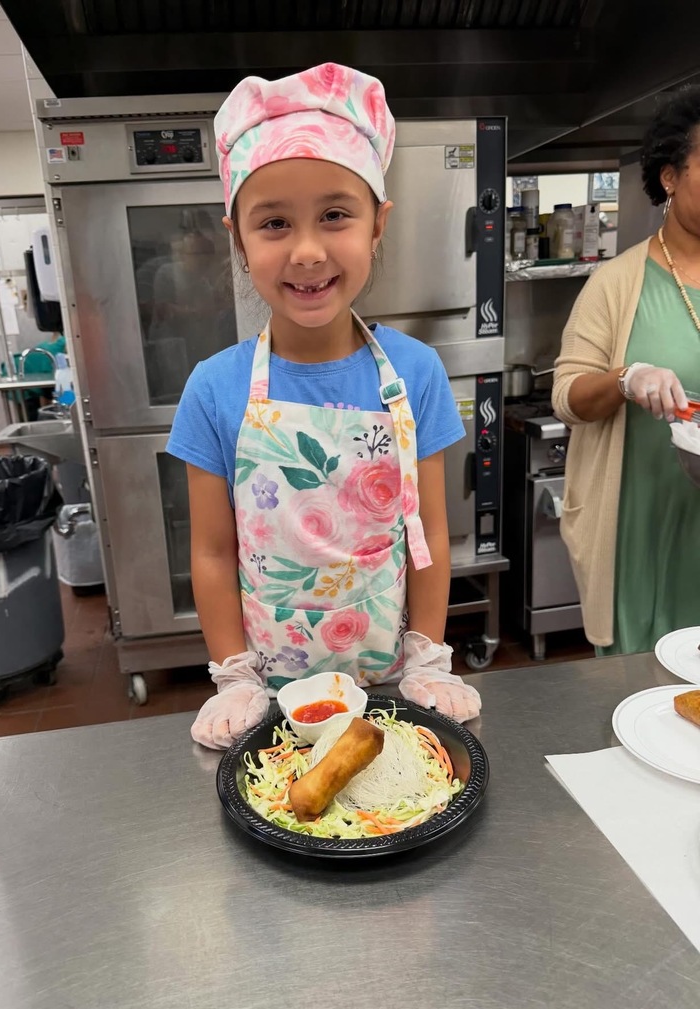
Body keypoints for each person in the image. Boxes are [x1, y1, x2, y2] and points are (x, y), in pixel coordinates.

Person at [167, 62, 481, 750]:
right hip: (274, 702)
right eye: (273, 223)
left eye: (335, 215)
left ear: (377, 225)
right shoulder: (213, 388)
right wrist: (236, 680)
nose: (307, 252)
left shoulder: (416, 372)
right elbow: (215, 554)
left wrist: (428, 658)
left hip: (392, 690)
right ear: (238, 239)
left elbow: (428, 531)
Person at [552, 85, 700, 656]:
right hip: (641, 524)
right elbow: (567, 395)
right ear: (669, 176)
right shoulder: (617, 282)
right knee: (642, 689)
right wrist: (624, 377)